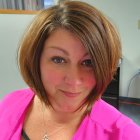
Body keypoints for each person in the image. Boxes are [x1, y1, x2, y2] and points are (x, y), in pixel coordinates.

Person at [0, 0, 140, 140]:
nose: (74, 81)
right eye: (58, 60)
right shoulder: (10, 104)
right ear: (35, 61)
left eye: (88, 62)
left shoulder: (125, 134)